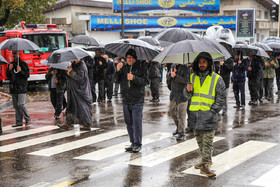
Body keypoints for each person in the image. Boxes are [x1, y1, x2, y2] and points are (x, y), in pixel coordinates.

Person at [187, 52, 226, 177]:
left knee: (208, 141)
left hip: (208, 115)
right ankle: (204, 160)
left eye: (204, 62)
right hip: (195, 114)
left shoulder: (216, 78)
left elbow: (221, 97)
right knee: (200, 140)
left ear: (209, 63)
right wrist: (187, 90)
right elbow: (187, 96)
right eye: (199, 62)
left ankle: (205, 165)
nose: (201, 64)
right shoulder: (192, 77)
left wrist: (213, 111)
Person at [115, 49, 147, 153]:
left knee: (136, 122)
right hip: (126, 99)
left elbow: (145, 81)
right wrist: (117, 70)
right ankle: (133, 142)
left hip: (137, 99)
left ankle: (137, 144)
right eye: (127, 57)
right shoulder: (124, 68)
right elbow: (115, 80)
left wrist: (134, 78)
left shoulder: (141, 67)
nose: (128, 59)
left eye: (131, 58)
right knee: (128, 122)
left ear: (135, 58)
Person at [58, 58, 92, 131]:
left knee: (82, 107)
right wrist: (68, 72)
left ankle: (87, 124)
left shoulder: (82, 66)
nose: (71, 61)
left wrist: (71, 72)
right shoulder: (73, 65)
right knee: (71, 106)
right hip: (72, 90)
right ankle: (68, 123)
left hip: (80, 91)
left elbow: (80, 78)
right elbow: (70, 76)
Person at [6, 51, 31, 127]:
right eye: (13, 53)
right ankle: (19, 122)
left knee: (21, 104)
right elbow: (8, 76)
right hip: (14, 87)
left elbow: (27, 75)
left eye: (15, 53)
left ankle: (27, 118)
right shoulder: (11, 64)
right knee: (16, 106)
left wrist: (20, 71)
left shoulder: (23, 64)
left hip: (22, 87)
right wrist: (9, 70)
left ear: (19, 54)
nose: (14, 55)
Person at [166, 63, 190, 141]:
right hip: (174, 94)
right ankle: (178, 128)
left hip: (183, 95)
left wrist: (176, 76)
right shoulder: (172, 67)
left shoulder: (186, 68)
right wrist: (171, 75)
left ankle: (182, 133)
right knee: (173, 113)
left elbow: (187, 80)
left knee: (181, 115)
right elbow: (168, 79)